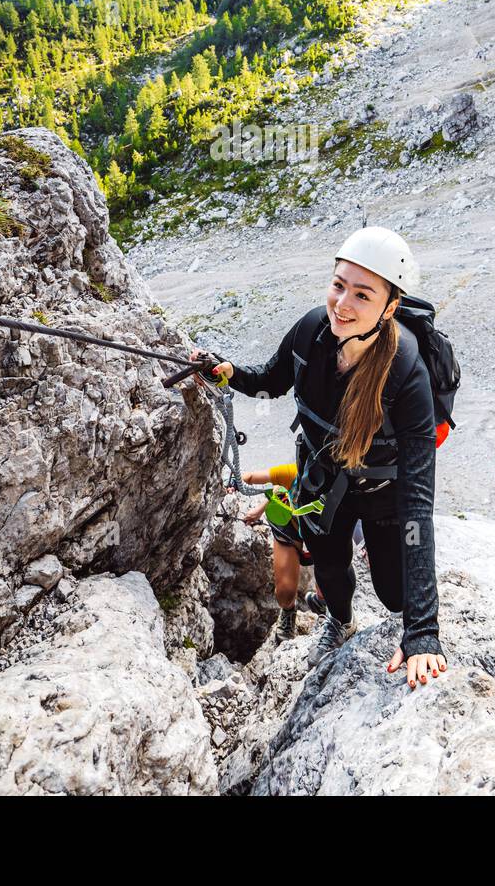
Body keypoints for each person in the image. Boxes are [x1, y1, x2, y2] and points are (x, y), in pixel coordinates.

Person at [198, 226, 447, 690]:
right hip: (324, 480)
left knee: (395, 596)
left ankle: (383, 569)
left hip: (383, 494)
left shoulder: (407, 374)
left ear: (389, 308)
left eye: (362, 295)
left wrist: (422, 630)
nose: (343, 304)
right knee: (331, 569)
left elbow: (417, 505)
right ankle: (341, 620)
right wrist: (228, 372)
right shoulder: (313, 329)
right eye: (338, 285)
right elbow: (272, 379)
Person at [239, 461, 326, 642]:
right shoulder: (294, 472)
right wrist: (232, 485)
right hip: (290, 523)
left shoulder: (343, 480)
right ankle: (288, 611)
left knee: (330, 586)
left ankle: (325, 603)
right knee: (285, 590)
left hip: (324, 530)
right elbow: (251, 478)